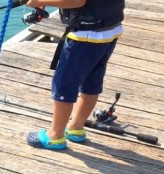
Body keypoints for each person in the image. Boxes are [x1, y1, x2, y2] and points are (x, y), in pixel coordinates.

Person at [25, 0, 124, 150]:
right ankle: (76, 127)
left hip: (85, 36)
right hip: (109, 30)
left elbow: (75, 1)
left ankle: (55, 135)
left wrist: (36, 1)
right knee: (91, 82)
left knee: (64, 85)